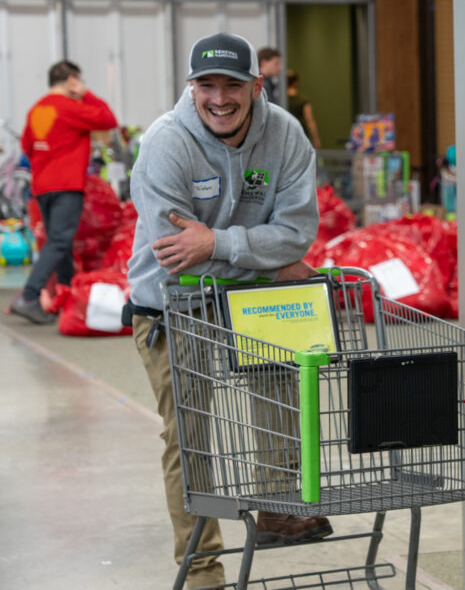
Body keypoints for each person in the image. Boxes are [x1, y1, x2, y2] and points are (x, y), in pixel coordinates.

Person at [126, 32, 329, 589]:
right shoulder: (166, 145)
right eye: (206, 85)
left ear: (256, 86)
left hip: (244, 296)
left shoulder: (285, 135)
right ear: (190, 88)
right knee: (189, 433)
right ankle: (202, 569)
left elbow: (296, 235)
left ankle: (276, 505)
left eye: (232, 85)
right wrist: (262, 261)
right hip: (171, 304)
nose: (220, 98)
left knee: (281, 386)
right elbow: (175, 259)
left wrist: (215, 244)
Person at [9, 61, 118, 324]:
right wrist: (85, 94)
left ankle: (66, 297)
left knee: (62, 244)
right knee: (59, 242)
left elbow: (27, 146)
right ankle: (29, 296)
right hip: (67, 185)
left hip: (42, 187)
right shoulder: (71, 107)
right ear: (72, 81)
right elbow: (107, 120)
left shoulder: (35, 110)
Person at [286, 71, 322, 149]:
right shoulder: (302, 101)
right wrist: (316, 139)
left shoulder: (281, 100)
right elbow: (310, 121)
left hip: (285, 135)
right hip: (300, 135)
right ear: (296, 82)